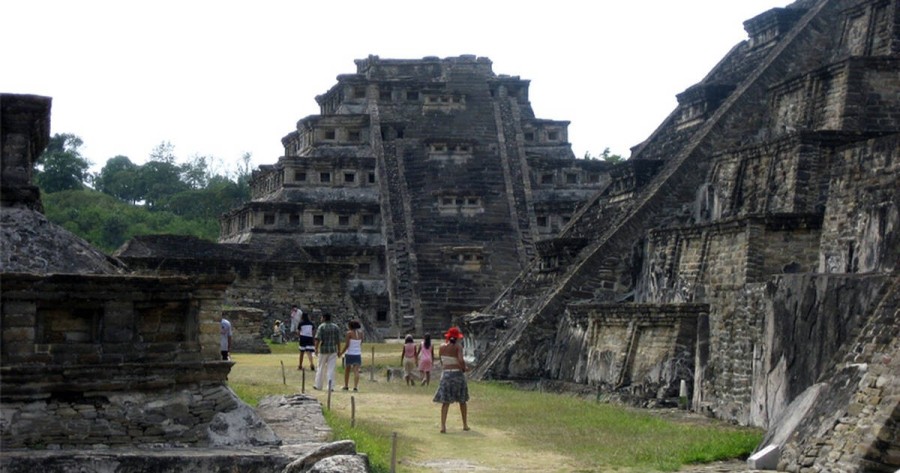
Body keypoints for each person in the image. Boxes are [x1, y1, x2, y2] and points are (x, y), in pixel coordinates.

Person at [433, 326, 469, 433]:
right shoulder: (458, 347)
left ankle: (443, 426)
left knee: (446, 402)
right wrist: (463, 368)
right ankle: (465, 424)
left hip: (446, 375)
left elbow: (442, 361)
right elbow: (460, 360)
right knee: (462, 400)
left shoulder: (442, 347)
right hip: (457, 374)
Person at [313, 312, 342, 391]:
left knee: (321, 368)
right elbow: (338, 340)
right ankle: (330, 386)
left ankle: (318, 385)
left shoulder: (321, 327)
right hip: (333, 350)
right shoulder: (335, 327)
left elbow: (317, 339)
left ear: (324, 318)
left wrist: (316, 348)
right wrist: (339, 350)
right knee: (331, 369)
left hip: (323, 350)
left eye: (322, 317)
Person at [339, 320, 364, 391]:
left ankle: (346, 385)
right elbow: (361, 342)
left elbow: (347, 345)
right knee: (356, 370)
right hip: (357, 353)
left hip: (350, 353)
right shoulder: (361, 333)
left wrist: (341, 352)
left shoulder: (349, 333)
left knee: (347, 370)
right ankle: (355, 387)